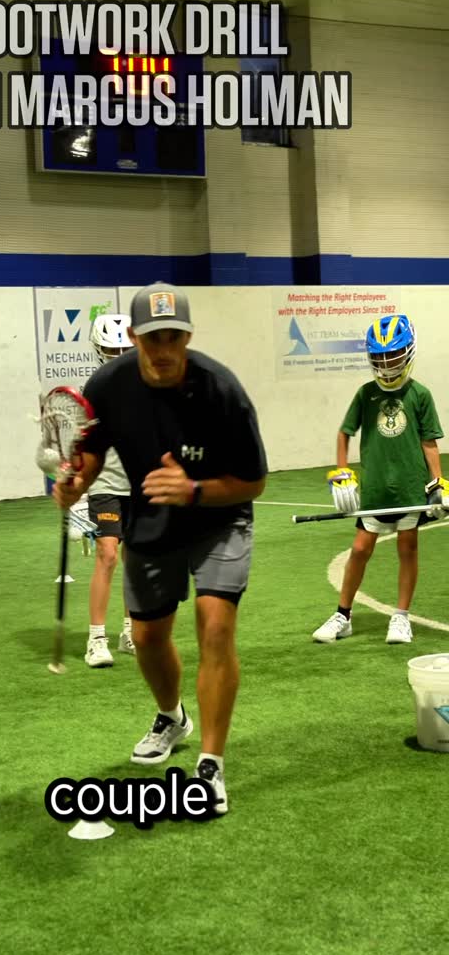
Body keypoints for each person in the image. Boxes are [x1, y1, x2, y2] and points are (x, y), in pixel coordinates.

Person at [53, 282, 267, 815]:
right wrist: (75, 484)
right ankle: (172, 716)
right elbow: (91, 454)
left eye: (173, 337)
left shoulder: (222, 390)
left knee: (215, 626)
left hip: (220, 517)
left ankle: (211, 766)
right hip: (153, 517)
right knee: (147, 638)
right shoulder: (108, 386)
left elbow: (254, 481)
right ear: (134, 337)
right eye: (153, 338)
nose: (164, 349)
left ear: (187, 336)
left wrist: (193, 490)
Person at [312, 314, 448, 645]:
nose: (387, 363)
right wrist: (341, 473)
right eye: (381, 356)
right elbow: (344, 433)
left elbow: (429, 442)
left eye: (394, 354)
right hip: (375, 490)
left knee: (407, 548)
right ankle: (343, 615)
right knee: (360, 549)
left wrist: (438, 483)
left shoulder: (420, 394)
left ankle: (400, 617)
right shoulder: (366, 394)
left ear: (409, 352)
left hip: (410, 489)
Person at [83, 314, 135, 667]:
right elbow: (84, 446)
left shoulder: (150, 388)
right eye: (111, 350)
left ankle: (130, 632)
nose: (118, 356)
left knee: (137, 559)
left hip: (140, 485)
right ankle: (96, 639)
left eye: (124, 349)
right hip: (105, 483)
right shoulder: (95, 391)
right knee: (108, 554)